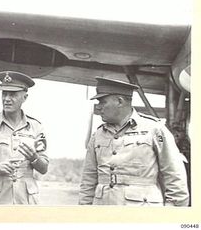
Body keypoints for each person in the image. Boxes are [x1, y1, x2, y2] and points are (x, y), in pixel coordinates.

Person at [79, 77, 189, 206]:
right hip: (103, 212)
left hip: (141, 213)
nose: (98, 107)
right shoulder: (97, 135)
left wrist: (170, 215)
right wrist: (84, 212)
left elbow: (174, 175)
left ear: (119, 101)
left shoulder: (155, 130)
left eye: (103, 102)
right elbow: (88, 180)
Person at [0, 71, 49, 204]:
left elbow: (44, 168)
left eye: (13, 94)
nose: (6, 99)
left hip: (25, 202)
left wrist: (34, 158)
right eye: (4, 94)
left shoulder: (36, 127)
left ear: (25, 97)